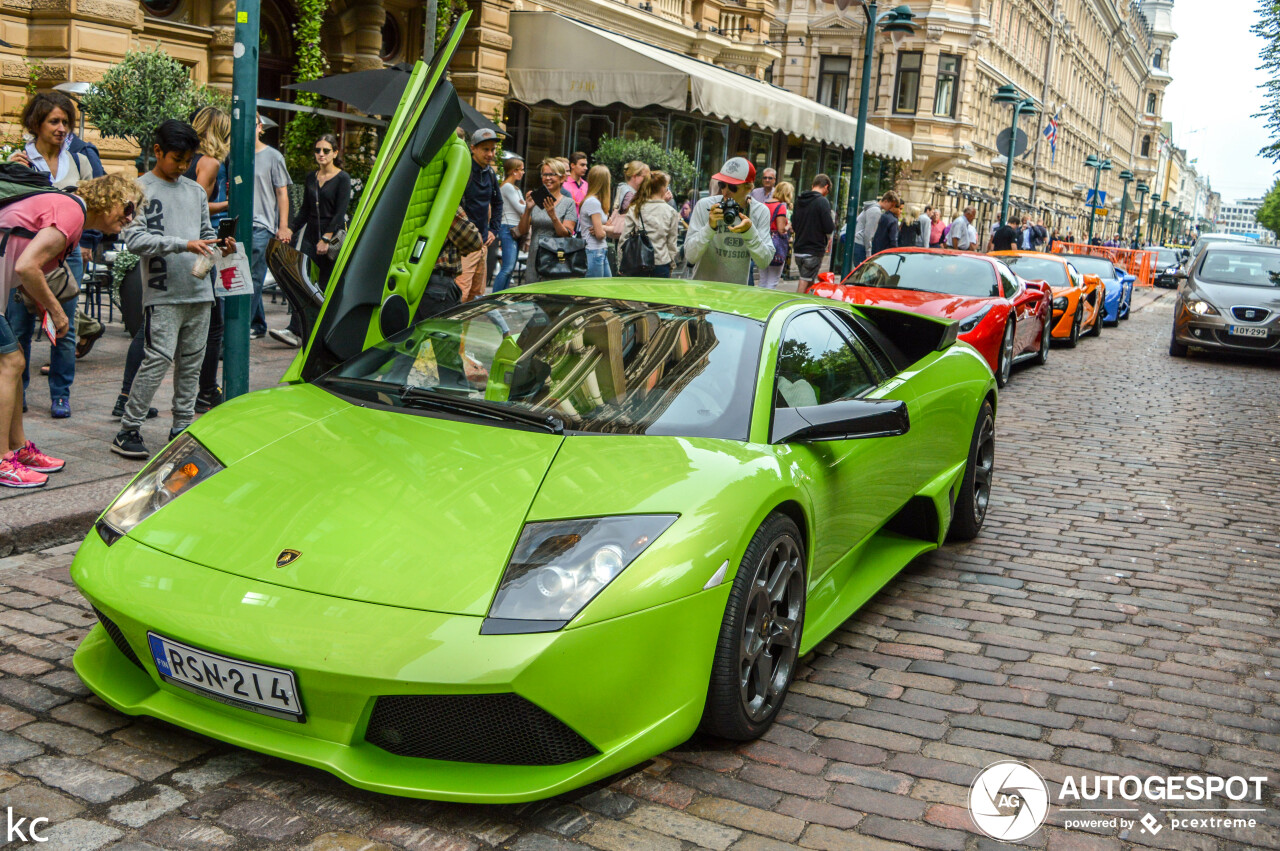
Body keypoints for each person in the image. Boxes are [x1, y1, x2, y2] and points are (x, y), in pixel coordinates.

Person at [0, 173, 140, 487]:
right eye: (128, 207)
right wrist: (55, 310)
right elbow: (26, 266)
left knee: (14, 359)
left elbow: (22, 260)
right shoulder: (72, 212)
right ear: (109, 199)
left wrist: (41, 304)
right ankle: (3, 460)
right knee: (11, 364)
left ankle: (19, 449)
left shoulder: (71, 214)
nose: (129, 217)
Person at [113, 120, 234, 460]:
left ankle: (181, 427)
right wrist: (184, 244)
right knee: (157, 360)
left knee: (192, 364)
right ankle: (128, 428)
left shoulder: (195, 191)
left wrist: (221, 246)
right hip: (163, 292)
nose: (183, 166)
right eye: (177, 159)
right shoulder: (137, 189)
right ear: (157, 152)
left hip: (198, 291)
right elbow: (135, 239)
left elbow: (205, 234)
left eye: (187, 160)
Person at [5, 92, 94, 420]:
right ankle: (18, 390)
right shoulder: (19, 158)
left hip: (68, 254)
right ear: (36, 124)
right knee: (20, 326)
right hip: (25, 255)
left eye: (65, 123)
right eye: (54, 121)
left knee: (65, 326)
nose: (61, 129)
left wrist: (88, 241)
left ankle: (61, 394)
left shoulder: (79, 161)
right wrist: (12, 174)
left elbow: (93, 202)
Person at [271, 133, 351, 346]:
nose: (321, 154)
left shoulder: (343, 178)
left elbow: (340, 212)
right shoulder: (310, 178)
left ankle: (323, 331)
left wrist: (326, 238)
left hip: (331, 238)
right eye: (318, 150)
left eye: (326, 150)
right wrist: (289, 229)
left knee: (324, 285)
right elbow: (305, 210)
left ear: (335, 153)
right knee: (303, 282)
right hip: (310, 236)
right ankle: (295, 330)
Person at [186, 106, 230, 413]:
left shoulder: (186, 159)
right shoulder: (210, 162)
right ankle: (206, 390)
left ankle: (126, 398)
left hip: (189, 244)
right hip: (202, 245)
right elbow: (198, 205)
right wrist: (233, 201)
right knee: (214, 325)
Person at [683, 157, 773, 285]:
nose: (725, 191)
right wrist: (710, 227)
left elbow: (764, 261)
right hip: (703, 290)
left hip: (736, 294)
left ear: (748, 188)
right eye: (722, 185)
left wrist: (749, 232)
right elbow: (690, 256)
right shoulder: (705, 206)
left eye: (732, 186)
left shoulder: (759, 211)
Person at [248, 114, 291, 338]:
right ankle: (258, 324)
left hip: (262, 225)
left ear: (260, 127)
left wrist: (283, 226)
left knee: (254, 277)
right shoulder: (236, 155)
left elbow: (282, 192)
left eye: (252, 124)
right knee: (246, 275)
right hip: (240, 224)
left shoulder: (273, 156)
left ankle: (241, 326)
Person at [454, 128, 502, 302]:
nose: (490, 154)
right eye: (486, 149)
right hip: (465, 245)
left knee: (476, 295)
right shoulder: (464, 169)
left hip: (482, 243)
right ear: (472, 148)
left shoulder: (489, 173)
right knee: (461, 293)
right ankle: (454, 330)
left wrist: (493, 230)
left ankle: (465, 330)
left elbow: (498, 203)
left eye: (493, 149)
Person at [517, 158, 577, 284]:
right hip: (534, 256)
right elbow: (522, 231)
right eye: (545, 174)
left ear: (562, 178)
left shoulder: (568, 203)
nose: (548, 178)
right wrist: (527, 210)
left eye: (552, 174)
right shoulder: (536, 200)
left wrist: (553, 216)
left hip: (555, 258)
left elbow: (566, 234)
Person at [623, 170, 680, 278]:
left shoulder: (636, 208)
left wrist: (622, 263)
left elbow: (624, 238)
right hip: (661, 263)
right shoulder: (671, 212)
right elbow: (672, 244)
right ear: (663, 188)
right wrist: (671, 266)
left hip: (637, 263)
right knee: (659, 295)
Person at [792, 174, 836, 286]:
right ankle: (798, 302)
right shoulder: (822, 201)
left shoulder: (799, 200)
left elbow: (794, 225)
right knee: (804, 280)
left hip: (799, 248)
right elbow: (828, 227)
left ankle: (808, 301)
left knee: (809, 280)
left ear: (813, 185)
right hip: (813, 249)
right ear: (826, 187)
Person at [494, 156, 525, 292]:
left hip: (515, 228)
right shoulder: (507, 187)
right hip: (508, 227)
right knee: (507, 267)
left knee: (510, 268)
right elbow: (522, 209)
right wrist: (526, 205)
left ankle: (502, 299)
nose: (523, 172)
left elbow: (523, 208)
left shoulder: (516, 189)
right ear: (514, 171)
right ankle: (495, 299)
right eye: (521, 170)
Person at [578, 164, 612, 278]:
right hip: (594, 251)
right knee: (596, 290)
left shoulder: (597, 202)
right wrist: (603, 229)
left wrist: (603, 228)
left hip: (599, 250)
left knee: (606, 288)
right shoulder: (593, 202)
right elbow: (600, 235)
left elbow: (604, 228)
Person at [758, 180, 793, 290]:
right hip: (775, 247)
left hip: (762, 244)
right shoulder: (780, 207)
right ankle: (767, 303)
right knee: (772, 281)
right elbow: (781, 229)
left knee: (762, 279)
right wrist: (789, 226)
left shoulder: (763, 204)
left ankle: (759, 302)